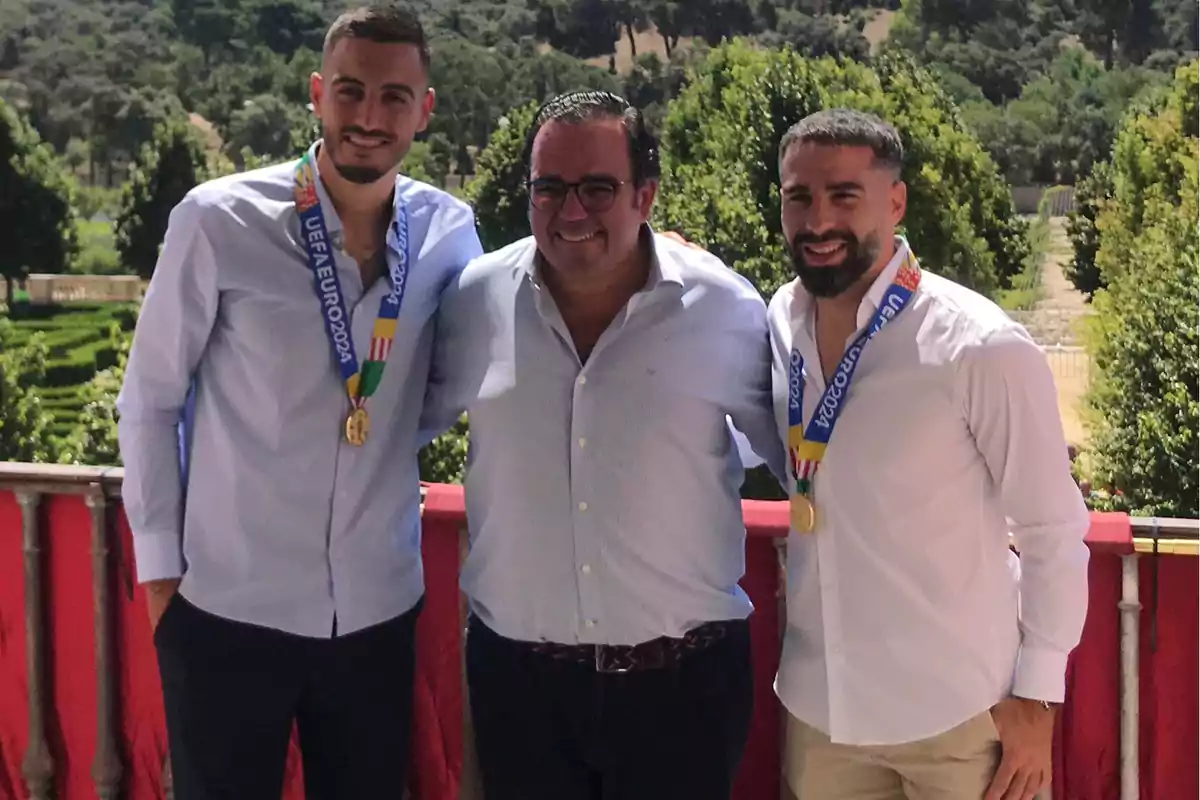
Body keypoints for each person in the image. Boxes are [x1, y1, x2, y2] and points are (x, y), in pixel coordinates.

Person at [115, 6, 483, 798]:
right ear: (317, 94)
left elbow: (446, 387)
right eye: (350, 90)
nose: (368, 116)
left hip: (376, 616)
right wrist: (160, 587)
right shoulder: (218, 220)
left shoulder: (451, 235)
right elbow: (148, 400)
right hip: (223, 611)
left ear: (424, 109)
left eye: (393, 97)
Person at [420, 89, 787, 799]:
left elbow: (784, 456)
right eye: (549, 188)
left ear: (646, 195)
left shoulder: (722, 307)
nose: (571, 210)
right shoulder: (473, 300)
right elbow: (399, 426)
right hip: (519, 688)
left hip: (683, 692)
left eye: (598, 188)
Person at [765, 108, 1090, 800]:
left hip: (959, 722)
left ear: (896, 200)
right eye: (799, 197)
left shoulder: (979, 345)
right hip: (822, 717)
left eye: (844, 196)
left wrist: (1038, 698)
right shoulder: (779, 320)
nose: (818, 220)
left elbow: (1053, 531)